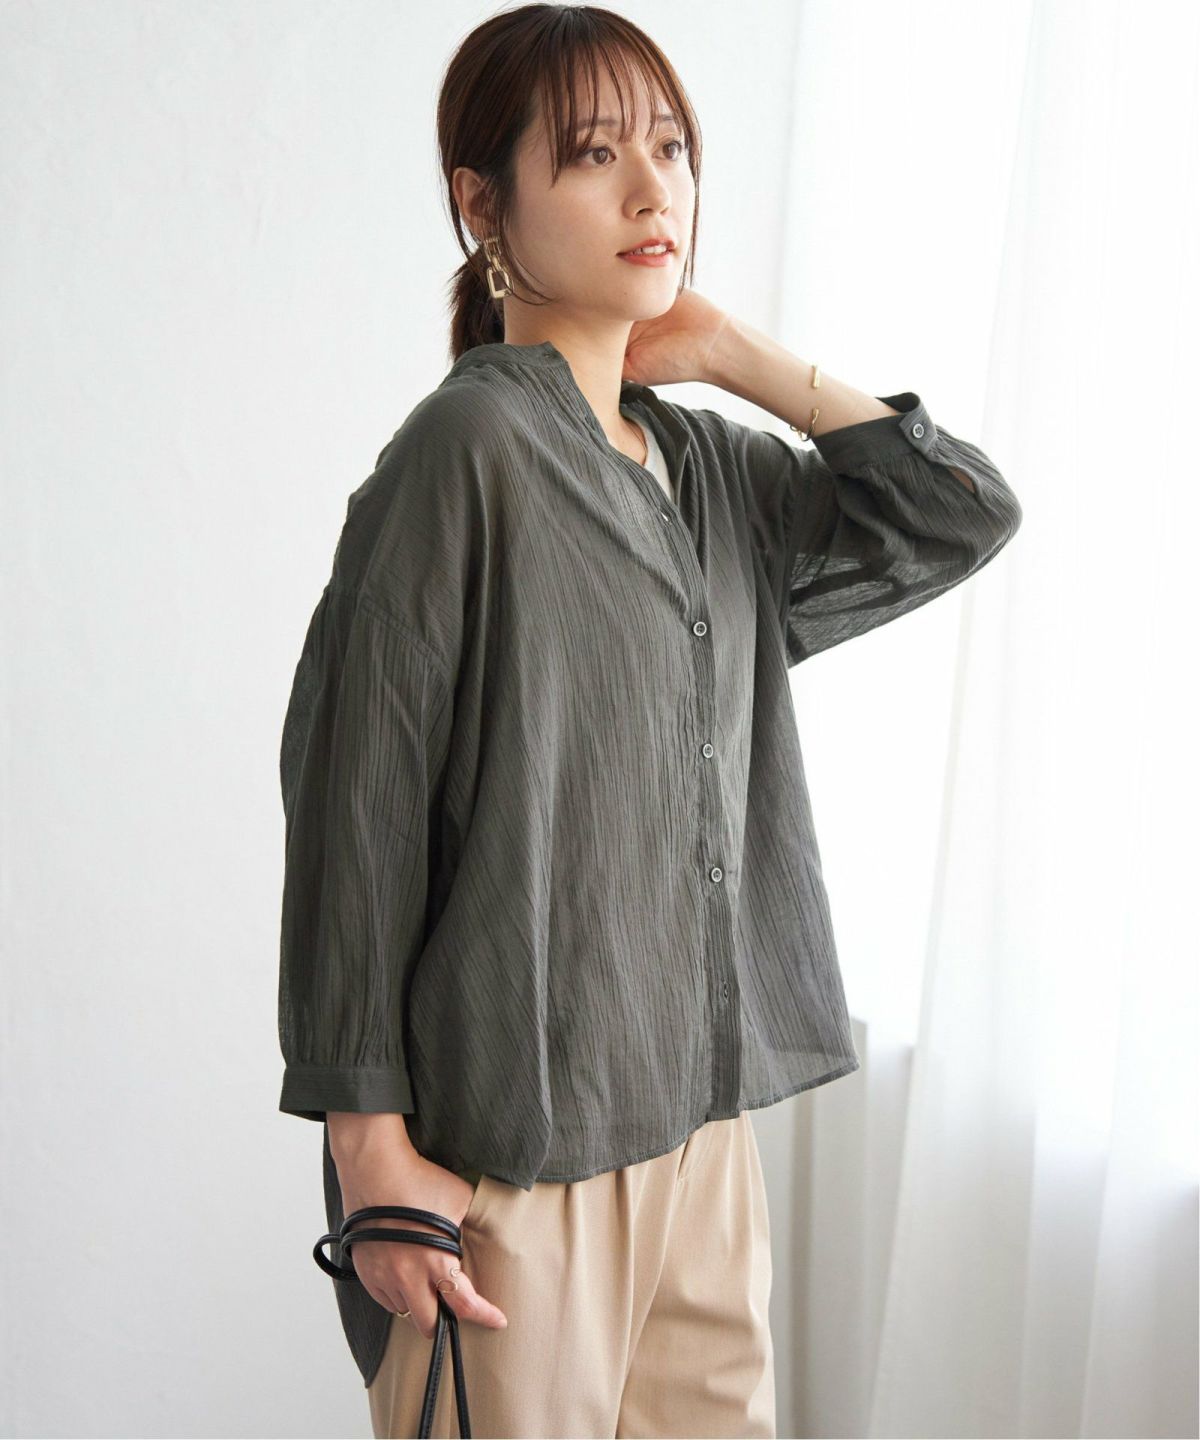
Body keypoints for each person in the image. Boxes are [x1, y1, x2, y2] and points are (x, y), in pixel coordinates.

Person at [275, 5, 1024, 1436]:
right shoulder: (467, 453)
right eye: (593, 154)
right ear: (481, 206)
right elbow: (355, 794)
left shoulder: (710, 470)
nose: (651, 190)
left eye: (671, 149)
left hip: (698, 1144)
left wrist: (737, 353)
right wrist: (370, 1151)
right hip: (510, 1160)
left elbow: (960, 515)